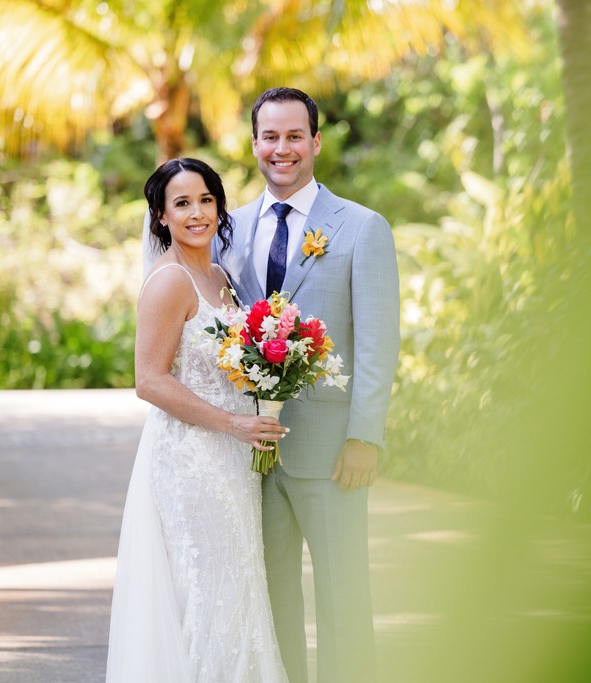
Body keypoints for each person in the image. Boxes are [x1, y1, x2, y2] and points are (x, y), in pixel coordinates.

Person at [228, 87, 401, 683]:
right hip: (250, 454)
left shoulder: (361, 228)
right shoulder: (230, 230)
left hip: (331, 451)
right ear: (254, 144)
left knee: (342, 598)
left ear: (316, 141)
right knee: (270, 604)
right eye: (270, 137)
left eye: (294, 135)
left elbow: (378, 343)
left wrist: (365, 437)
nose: (282, 149)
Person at [108, 158, 290, 682]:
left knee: (239, 584)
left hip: (234, 459)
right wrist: (232, 424)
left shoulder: (219, 276)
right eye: (181, 204)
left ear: (219, 206)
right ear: (161, 217)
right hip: (192, 461)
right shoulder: (170, 281)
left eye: (205, 200)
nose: (196, 213)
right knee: (210, 589)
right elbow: (149, 380)